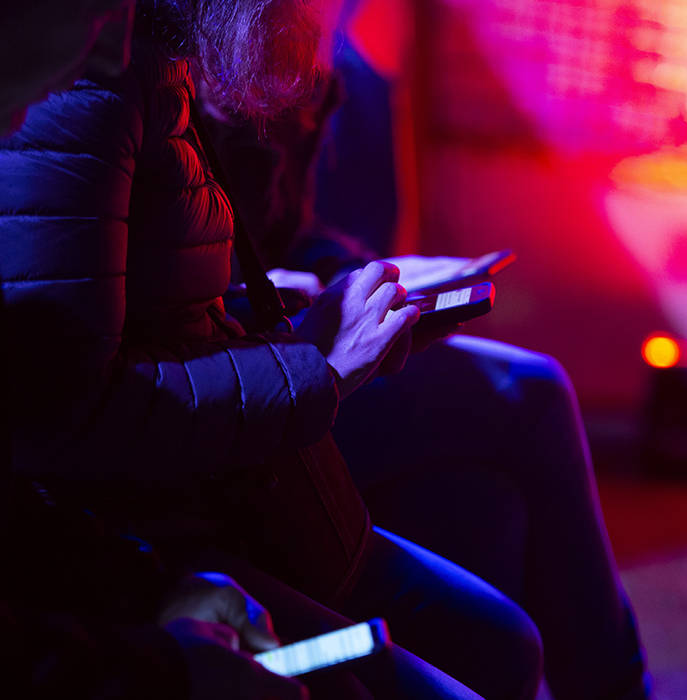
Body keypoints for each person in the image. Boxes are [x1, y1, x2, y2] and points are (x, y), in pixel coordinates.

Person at [0, 1, 542, 698]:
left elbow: (159, 304)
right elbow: (65, 415)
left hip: (210, 495)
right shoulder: (83, 83)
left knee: (503, 641)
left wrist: (318, 317)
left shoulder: (153, 62)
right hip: (171, 516)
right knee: (523, 406)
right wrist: (315, 361)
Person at [206, 9, 652, 698]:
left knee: (482, 502)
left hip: (285, 340)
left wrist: (363, 274)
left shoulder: (304, 42)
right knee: (528, 392)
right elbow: (158, 308)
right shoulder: (178, 56)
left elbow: (286, 229)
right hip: (252, 375)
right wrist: (272, 297)